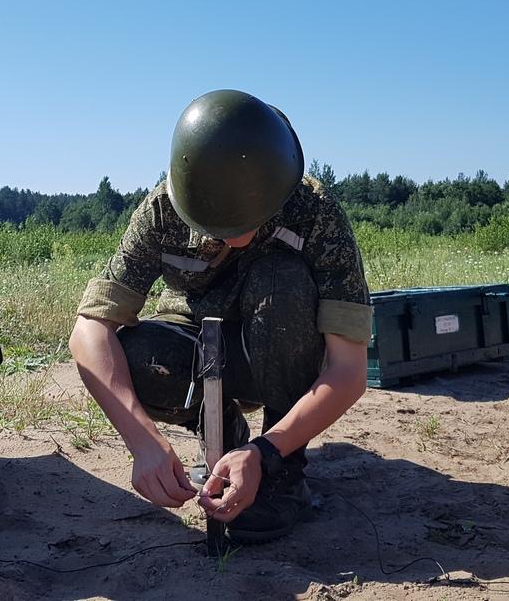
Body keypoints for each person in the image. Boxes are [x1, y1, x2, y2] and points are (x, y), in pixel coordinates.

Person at [68, 89, 372, 543]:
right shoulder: (161, 212)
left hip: (279, 349)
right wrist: (143, 441)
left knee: (280, 281)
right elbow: (90, 330)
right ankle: (221, 437)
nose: (234, 238)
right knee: (134, 355)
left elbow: (348, 371)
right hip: (199, 348)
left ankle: (282, 473)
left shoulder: (316, 214)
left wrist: (267, 452)